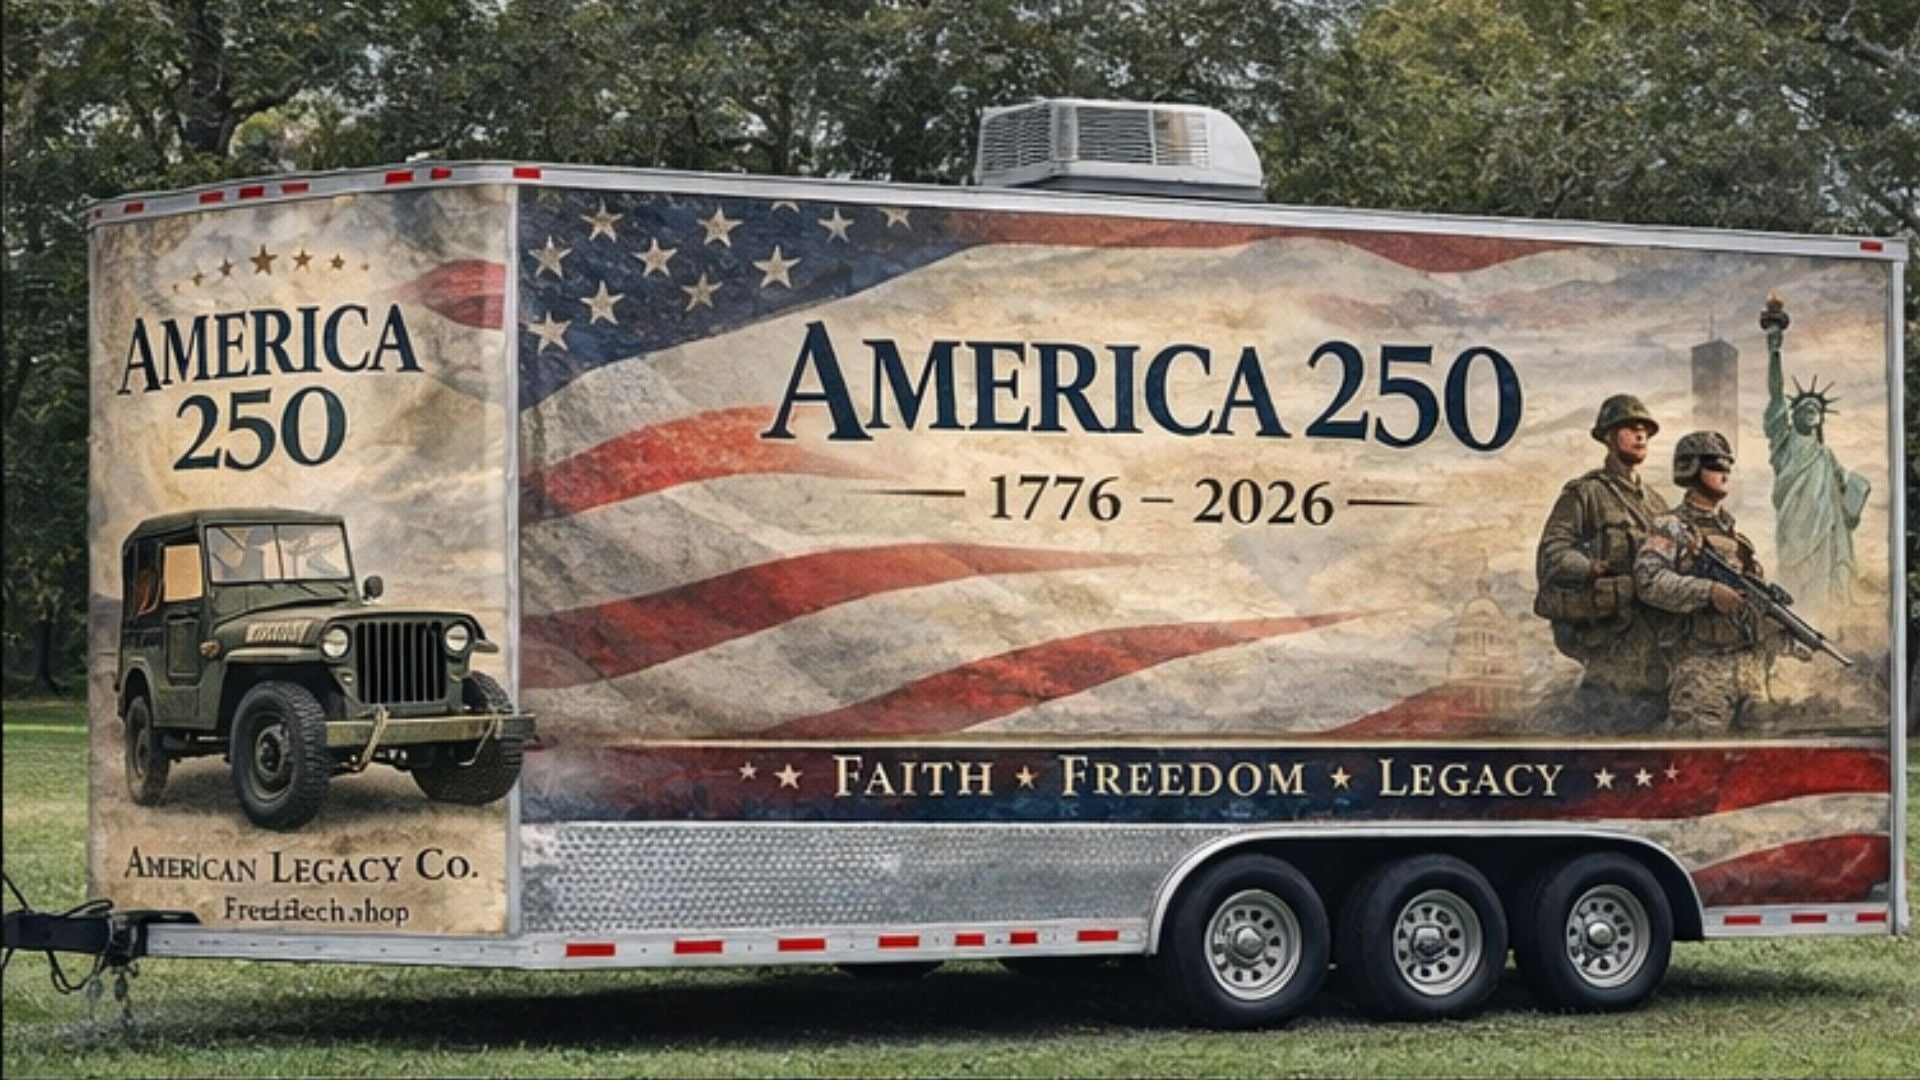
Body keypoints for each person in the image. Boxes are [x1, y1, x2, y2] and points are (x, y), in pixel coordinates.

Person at [1635, 431, 1802, 734]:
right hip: (1701, 669)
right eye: (1714, 465)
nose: (1725, 473)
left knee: (1754, 766)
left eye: (1728, 466)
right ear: (1691, 469)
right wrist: (1707, 591)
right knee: (1695, 762)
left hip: (1751, 668)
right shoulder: (1671, 526)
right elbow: (1649, 581)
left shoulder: (1738, 540)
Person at [1533, 394, 1670, 732]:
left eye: (1645, 431)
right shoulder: (1586, 493)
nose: (1640, 436)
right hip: (1611, 641)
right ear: (1608, 436)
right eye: (1630, 428)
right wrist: (1591, 567)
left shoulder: (1657, 504)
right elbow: (1554, 552)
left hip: (1658, 641)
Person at [1761, 294, 1869, 615]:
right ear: (1792, 415)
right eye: (1805, 407)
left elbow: (1845, 503)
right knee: (1795, 587)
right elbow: (1776, 392)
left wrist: (1855, 495)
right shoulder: (1783, 440)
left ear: (1821, 419)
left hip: (1825, 534)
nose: (1811, 412)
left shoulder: (1827, 456)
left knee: (1822, 596)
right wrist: (1775, 350)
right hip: (1795, 527)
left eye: (1817, 410)